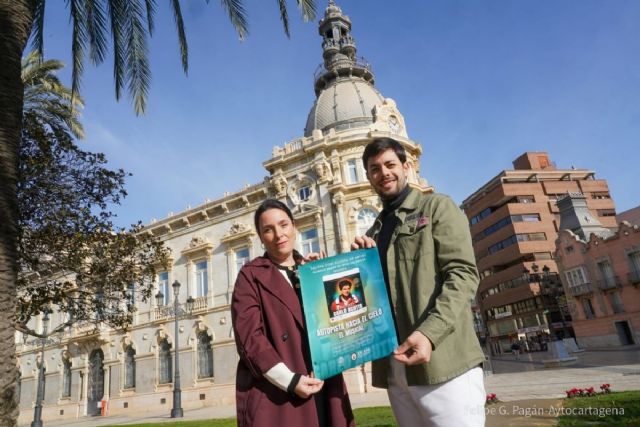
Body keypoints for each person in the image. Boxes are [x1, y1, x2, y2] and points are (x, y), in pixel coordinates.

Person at [352, 138, 486, 426]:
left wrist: (429, 334)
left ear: (406, 166)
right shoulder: (374, 231)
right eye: (375, 168)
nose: (383, 173)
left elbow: (463, 275)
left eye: (390, 164)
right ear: (368, 177)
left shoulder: (437, 207)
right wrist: (362, 268)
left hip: (444, 362)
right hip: (395, 366)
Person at [232, 199, 355, 427]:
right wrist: (289, 380)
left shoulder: (311, 271)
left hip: (324, 382)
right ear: (260, 237)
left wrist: (323, 280)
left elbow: (341, 323)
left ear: (294, 226)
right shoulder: (250, 276)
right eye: (268, 229)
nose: (279, 234)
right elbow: (250, 339)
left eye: (283, 225)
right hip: (277, 393)